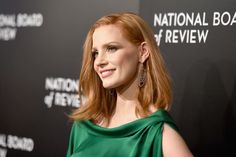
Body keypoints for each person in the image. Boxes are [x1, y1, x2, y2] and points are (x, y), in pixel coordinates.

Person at [66, 12, 193, 157]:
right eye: (95, 53)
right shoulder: (83, 126)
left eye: (111, 48)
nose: (99, 61)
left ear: (143, 52)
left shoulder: (157, 133)